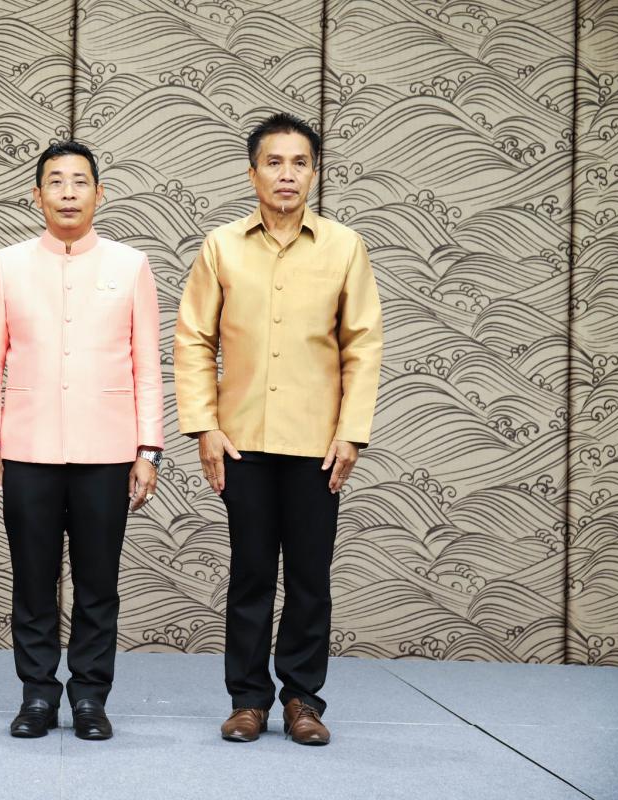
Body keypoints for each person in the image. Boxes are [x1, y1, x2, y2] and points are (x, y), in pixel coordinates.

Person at [174, 112, 383, 746]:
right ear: (252, 173)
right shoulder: (222, 247)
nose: (286, 174)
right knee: (251, 574)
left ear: (313, 174)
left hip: (319, 445)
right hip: (241, 442)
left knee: (310, 577)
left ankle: (302, 700)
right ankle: (247, 700)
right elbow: (194, 339)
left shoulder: (344, 247)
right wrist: (204, 427)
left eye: (299, 163)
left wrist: (351, 432)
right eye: (274, 162)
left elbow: (362, 344)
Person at [0, 141, 164, 740]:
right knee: (32, 580)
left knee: (98, 584)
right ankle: (36, 694)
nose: (69, 192)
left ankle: (89, 697)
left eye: (80, 181)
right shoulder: (8, 264)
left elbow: (148, 367)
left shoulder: (130, 265)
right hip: (27, 449)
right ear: (37, 196)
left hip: (108, 451)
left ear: (100, 194)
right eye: (56, 181)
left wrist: (148, 449)